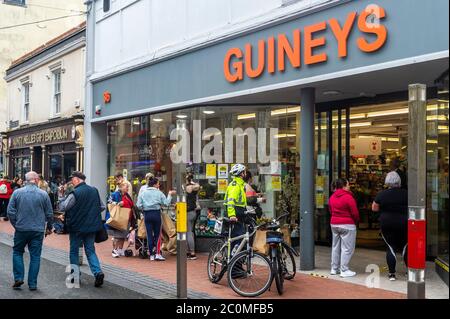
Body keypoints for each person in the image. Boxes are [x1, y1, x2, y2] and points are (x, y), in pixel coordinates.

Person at [57, 171, 106, 287]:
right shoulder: (94, 190)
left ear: (78, 180)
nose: (71, 181)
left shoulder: (75, 193)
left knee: (74, 251)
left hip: (76, 227)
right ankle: (98, 272)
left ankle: (75, 276)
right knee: (90, 250)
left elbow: (63, 207)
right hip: (91, 227)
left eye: (72, 179)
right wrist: (91, 214)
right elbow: (102, 207)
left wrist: (61, 195)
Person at [7, 171, 53, 291]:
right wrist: (49, 227)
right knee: (35, 256)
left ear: (26, 180)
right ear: (36, 180)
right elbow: (49, 213)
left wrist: (16, 224)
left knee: (17, 252)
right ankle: (32, 284)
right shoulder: (43, 194)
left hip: (21, 228)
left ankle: (18, 278)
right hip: (37, 230)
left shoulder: (17, 193)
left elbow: (10, 211)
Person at [372, 171, 408, 281]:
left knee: (390, 247)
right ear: (399, 181)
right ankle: (410, 272)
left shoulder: (382, 194)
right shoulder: (406, 193)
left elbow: (374, 208)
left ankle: (392, 274)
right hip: (404, 223)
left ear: (387, 181)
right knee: (406, 247)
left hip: (387, 223)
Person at [136, 177, 175, 261]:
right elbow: (166, 203)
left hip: (147, 214)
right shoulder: (159, 193)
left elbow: (138, 205)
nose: (159, 184)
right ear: (154, 184)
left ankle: (151, 255)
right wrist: (170, 195)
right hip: (156, 214)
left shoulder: (143, 193)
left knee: (149, 234)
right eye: (158, 183)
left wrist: (144, 208)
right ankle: (157, 253)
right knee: (157, 234)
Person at [328, 178, 360, 278]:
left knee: (335, 247)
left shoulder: (332, 197)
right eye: (348, 184)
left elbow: (330, 210)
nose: (349, 186)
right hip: (347, 224)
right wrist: (356, 221)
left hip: (334, 224)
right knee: (347, 248)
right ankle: (344, 270)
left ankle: (334, 268)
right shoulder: (348, 197)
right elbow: (355, 212)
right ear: (344, 186)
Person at [224, 164, 248, 255]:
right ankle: (234, 266)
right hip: (234, 216)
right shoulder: (235, 185)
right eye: (244, 172)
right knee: (239, 238)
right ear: (241, 173)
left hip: (240, 215)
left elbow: (241, 201)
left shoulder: (240, 184)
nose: (246, 173)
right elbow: (231, 201)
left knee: (242, 238)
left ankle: (237, 263)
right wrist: (232, 215)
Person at [106, 182, 135, 258]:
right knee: (117, 236)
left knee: (123, 235)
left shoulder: (127, 195)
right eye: (126, 187)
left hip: (127, 218)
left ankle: (120, 250)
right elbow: (109, 202)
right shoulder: (115, 194)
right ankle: (114, 250)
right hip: (119, 218)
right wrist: (118, 203)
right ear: (121, 187)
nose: (128, 189)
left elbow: (131, 204)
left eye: (128, 187)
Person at [184, 173, 200, 260]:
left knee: (188, 232)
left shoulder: (186, 187)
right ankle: (188, 251)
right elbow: (197, 186)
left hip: (188, 212)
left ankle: (192, 252)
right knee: (190, 231)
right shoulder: (194, 187)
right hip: (193, 212)